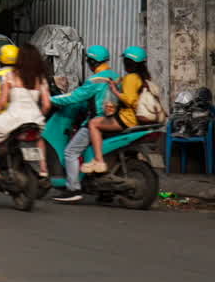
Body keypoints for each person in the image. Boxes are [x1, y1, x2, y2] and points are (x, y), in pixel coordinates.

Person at [0, 44, 51, 182]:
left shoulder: (11, 76)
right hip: (35, 120)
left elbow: (1, 103)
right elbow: (47, 105)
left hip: (14, 118)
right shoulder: (40, 78)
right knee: (38, 138)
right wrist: (39, 115)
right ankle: (43, 169)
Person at [49, 45, 121, 203]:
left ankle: (73, 189)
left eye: (89, 61)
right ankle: (104, 192)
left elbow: (74, 97)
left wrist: (49, 99)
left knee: (70, 152)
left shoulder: (95, 80)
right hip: (114, 121)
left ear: (93, 62)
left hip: (97, 122)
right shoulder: (116, 77)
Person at [83, 46, 151, 175]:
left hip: (128, 118)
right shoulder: (143, 77)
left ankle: (99, 160)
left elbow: (130, 100)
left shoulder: (130, 78)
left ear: (128, 63)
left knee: (93, 123)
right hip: (137, 118)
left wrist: (116, 93)